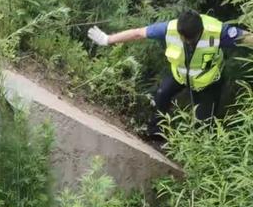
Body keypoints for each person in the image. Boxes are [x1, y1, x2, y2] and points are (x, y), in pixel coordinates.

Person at [88, 9, 253, 138]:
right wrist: (108, 39)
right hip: (180, 75)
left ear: (201, 30)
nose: (188, 42)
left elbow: (247, 38)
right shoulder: (170, 28)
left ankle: (198, 158)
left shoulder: (218, 31)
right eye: (184, 38)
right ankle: (156, 132)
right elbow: (138, 33)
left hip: (208, 82)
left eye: (191, 38)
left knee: (204, 125)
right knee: (161, 95)